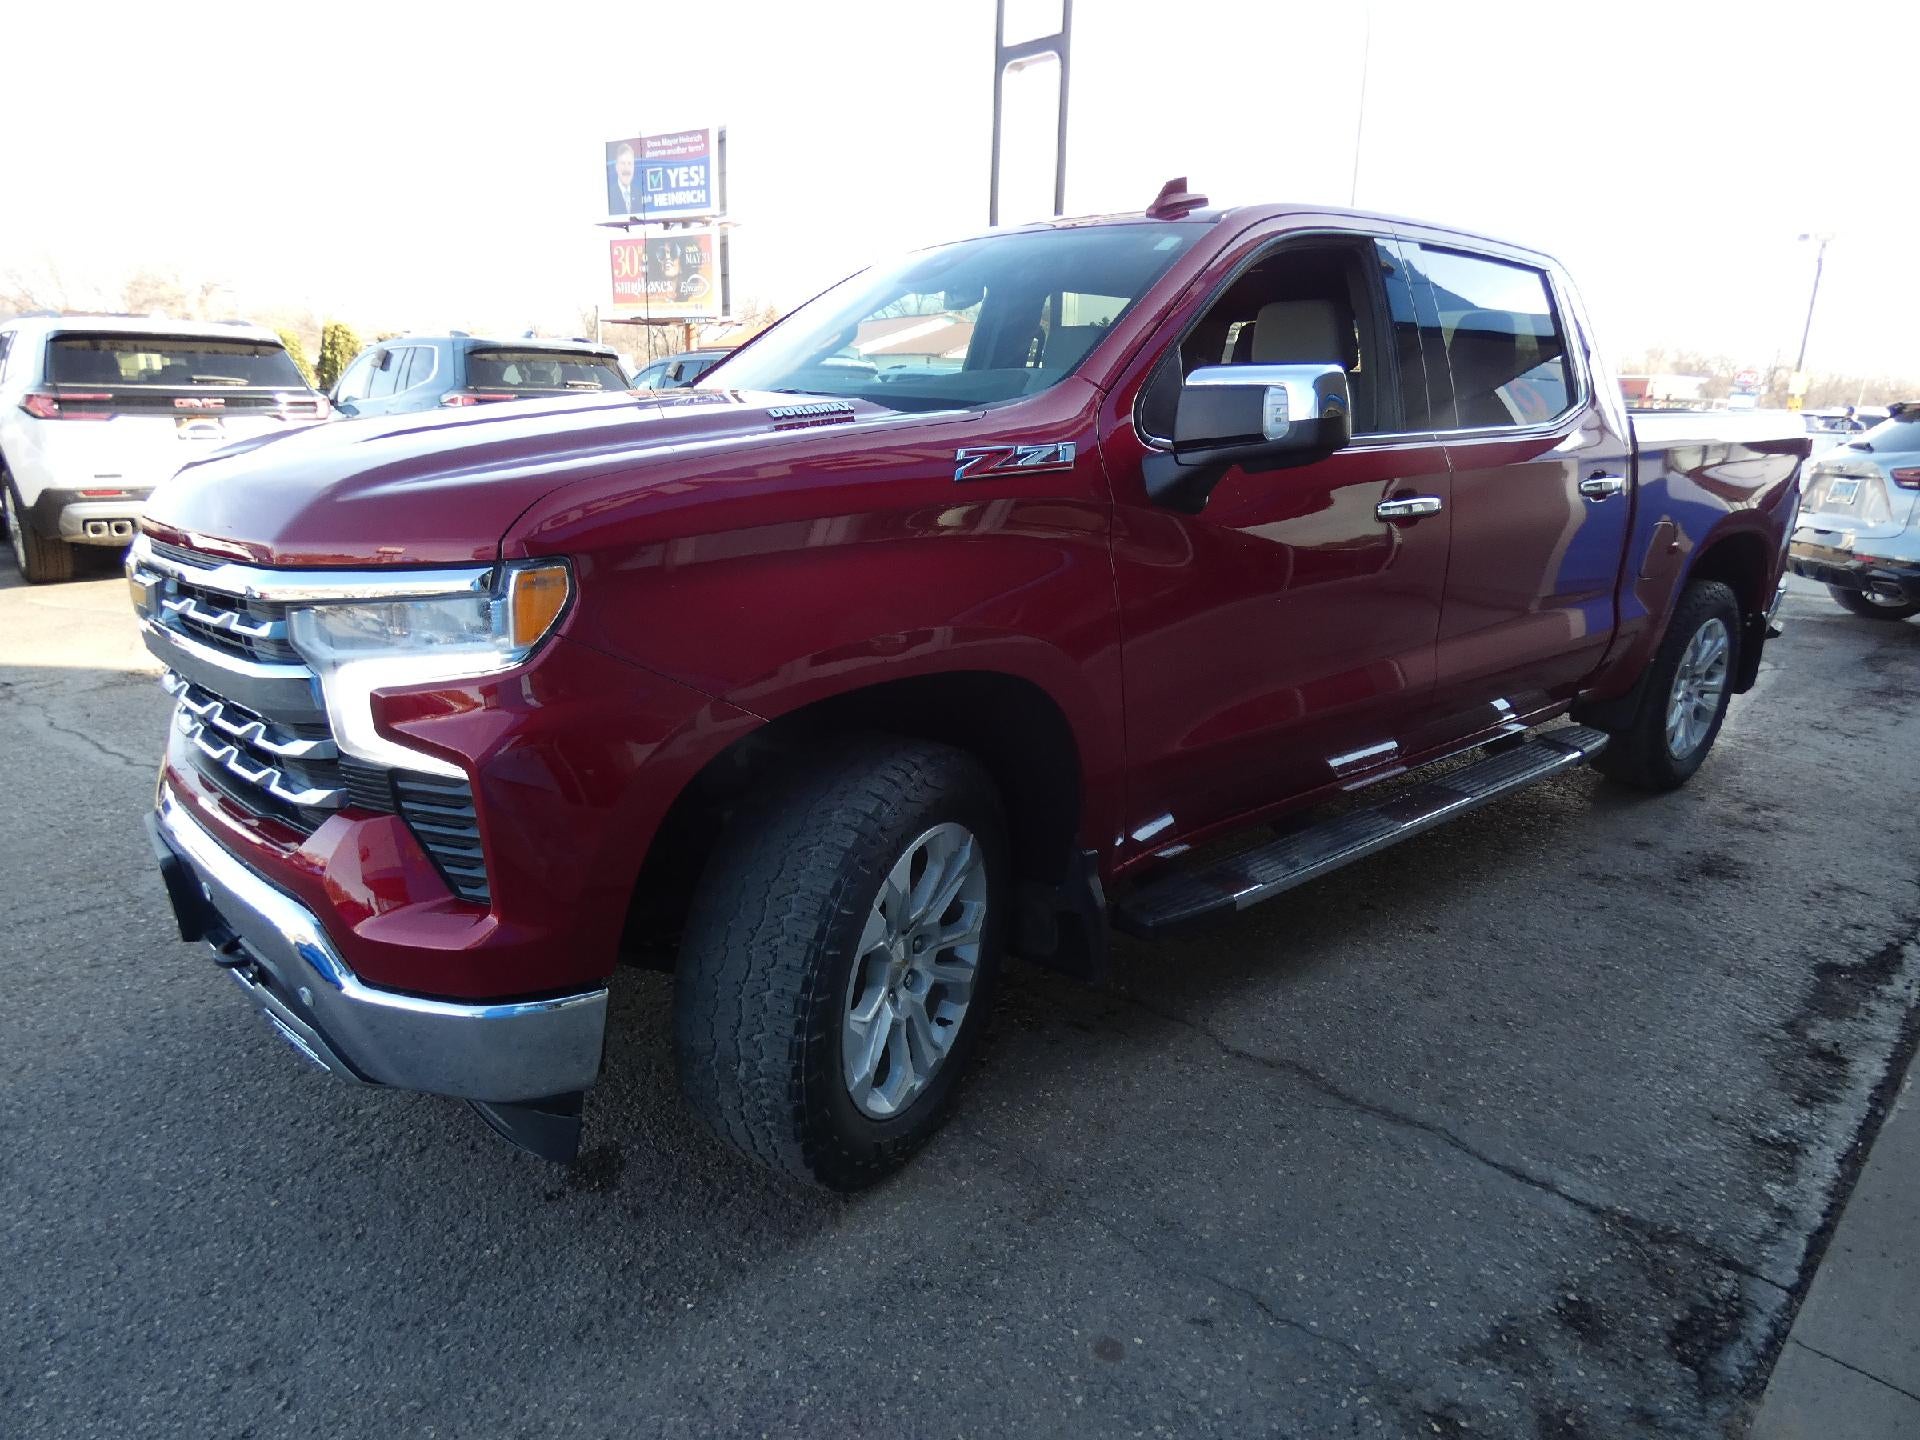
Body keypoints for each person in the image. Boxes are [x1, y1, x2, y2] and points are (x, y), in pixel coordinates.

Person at [606, 143, 638, 216]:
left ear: (633, 167)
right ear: (616, 167)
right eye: (623, 163)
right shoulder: (610, 195)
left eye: (629, 163)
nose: (626, 168)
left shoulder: (639, 193)